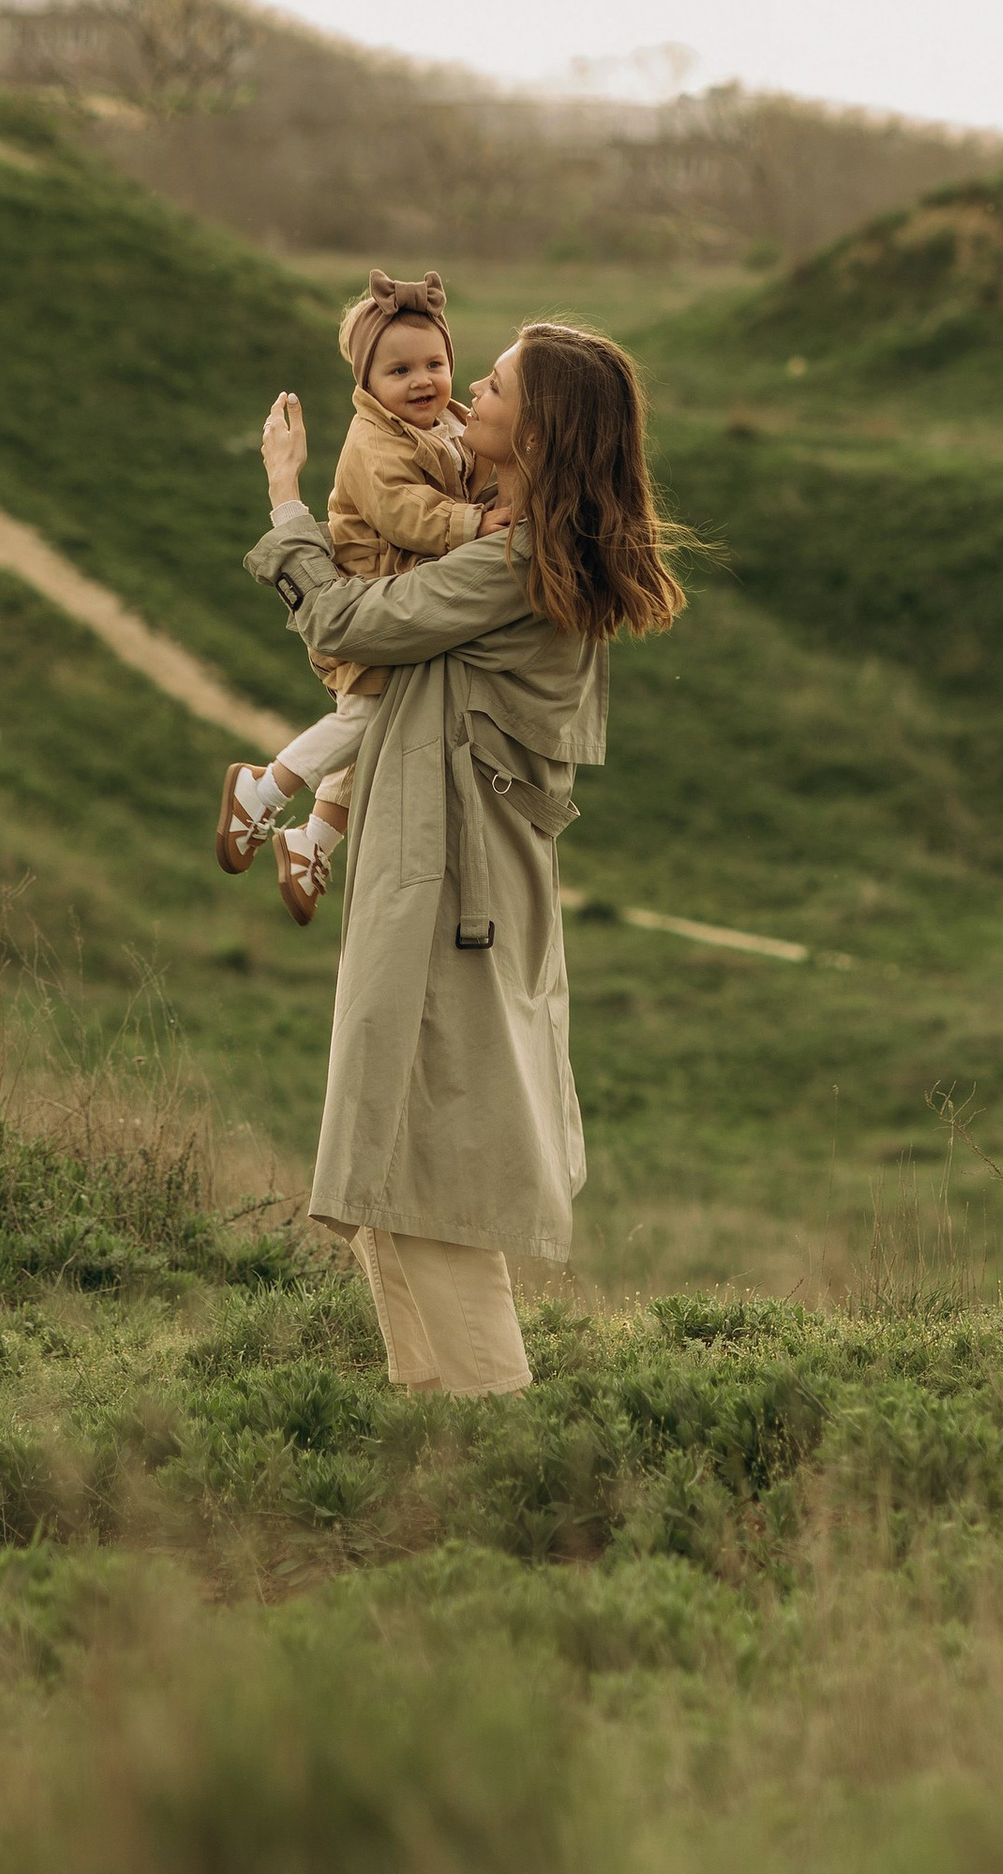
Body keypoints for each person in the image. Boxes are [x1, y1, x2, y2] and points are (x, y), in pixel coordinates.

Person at [245, 323, 686, 1394]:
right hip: (430, 875)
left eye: (489, 387)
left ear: (533, 433)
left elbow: (345, 620)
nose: (464, 392)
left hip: (453, 895)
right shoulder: (512, 548)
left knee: (432, 1171)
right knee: (395, 1164)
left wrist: (288, 503)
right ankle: (432, 1431)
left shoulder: (508, 565)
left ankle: (491, 1432)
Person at [215, 270, 485, 925]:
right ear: (367, 384)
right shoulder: (372, 443)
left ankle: (312, 841)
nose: (423, 381)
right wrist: (473, 525)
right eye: (400, 372)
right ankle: (266, 786)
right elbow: (404, 513)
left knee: (375, 730)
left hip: (407, 585)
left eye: (435, 363)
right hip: (369, 589)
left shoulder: (454, 425)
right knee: (367, 717)